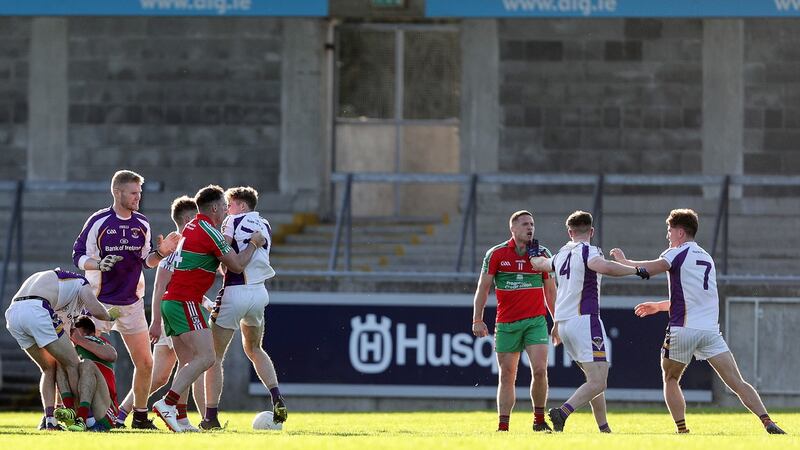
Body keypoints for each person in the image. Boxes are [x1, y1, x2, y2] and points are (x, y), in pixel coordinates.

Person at [610, 208, 786, 435]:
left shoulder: (676, 253)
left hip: (682, 329)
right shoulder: (706, 257)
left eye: (669, 230)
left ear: (681, 233)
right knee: (737, 382)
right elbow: (692, 299)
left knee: (670, 377)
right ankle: (767, 421)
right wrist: (659, 306)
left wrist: (625, 262)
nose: (668, 235)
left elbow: (650, 268)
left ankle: (682, 430)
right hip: (710, 332)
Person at [72, 169, 180, 429]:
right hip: (99, 303)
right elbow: (77, 256)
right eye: (133, 193)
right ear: (117, 192)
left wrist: (161, 252)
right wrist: (98, 264)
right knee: (85, 359)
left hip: (130, 304)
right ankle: (79, 415)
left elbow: (146, 261)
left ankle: (139, 418)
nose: (137, 198)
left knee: (145, 363)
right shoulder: (99, 221)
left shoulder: (141, 223)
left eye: (139, 193)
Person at [152, 185, 265, 432]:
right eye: (225, 207)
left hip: (171, 301)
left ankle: (181, 418)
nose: (227, 211)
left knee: (186, 364)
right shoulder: (209, 231)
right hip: (185, 302)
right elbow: (235, 266)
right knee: (207, 357)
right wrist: (254, 244)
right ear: (214, 208)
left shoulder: (191, 226)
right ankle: (167, 403)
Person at [528, 211, 650, 432]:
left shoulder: (561, 254)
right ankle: (562, 412)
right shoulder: (589, 251)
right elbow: (606, 267)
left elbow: (538, 263)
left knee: (593, 379)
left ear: (569, 232)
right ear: (591, 231)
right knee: (599, 381)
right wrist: (635, 270)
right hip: (585, 321)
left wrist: (532, 249)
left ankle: (604, 428)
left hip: (563, 324)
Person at [115, 195, 208, 431]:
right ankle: (173, 413)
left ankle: (123, 413)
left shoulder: (187, 245)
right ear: (188, 218)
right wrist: (156, 321)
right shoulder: (176, 246)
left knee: (164, 374)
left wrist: (205, 302)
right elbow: (160, 286)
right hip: (172, 314)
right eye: (197, 217)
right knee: (188, 363)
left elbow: (183, 283)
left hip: (173, 310)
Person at [203, 186, 286, 430]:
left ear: (239, 204)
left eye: (229, 204)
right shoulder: (265, 224)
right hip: (259, 293)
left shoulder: (231, 221)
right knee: (255, 348)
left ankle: (211, 416)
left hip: (235, 290)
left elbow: (225, 254)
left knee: (214, 356)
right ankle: (277, 397)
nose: (227, 209)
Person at [472, 210, 556, 432]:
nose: (530, 228)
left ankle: (538, 421)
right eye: (525, 224)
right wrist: (477, 319)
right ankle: (503, 426)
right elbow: (483, 288)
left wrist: (557, 321)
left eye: (532, 224)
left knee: (539, 370)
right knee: (507, 374)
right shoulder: (496, 254)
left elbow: (550, 291)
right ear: (513, 229)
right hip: (507, 323)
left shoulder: (542, 254)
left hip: (535, 321)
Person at [4, 268, 120, 430]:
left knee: (49, 368)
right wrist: (110, 316)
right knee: (72, 363)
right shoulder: (82, 283)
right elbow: (95, 309)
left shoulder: (53, 285)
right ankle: (81, 417)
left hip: (13, 314)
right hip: (38, 308)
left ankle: (49, 420)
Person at [54, 315, 119, 432]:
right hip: (82, 405)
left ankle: (84, 417)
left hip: (104, 410)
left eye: (74, 331)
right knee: (61, 361)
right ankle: (74, 414)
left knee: (86, 364)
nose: (71, 335)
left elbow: (112, 355)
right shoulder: (72, 348)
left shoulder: (97, 340)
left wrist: (81, 340)